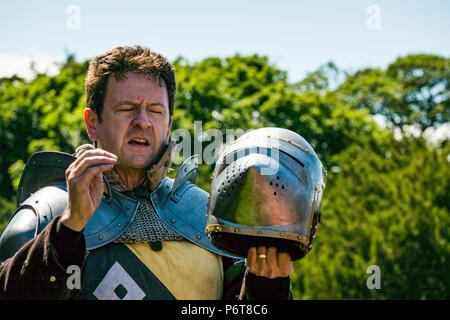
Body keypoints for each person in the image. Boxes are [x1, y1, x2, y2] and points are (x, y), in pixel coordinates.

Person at [0, 45, 293, 300]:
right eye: (127, 108)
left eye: (154, 110)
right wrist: (68, 231)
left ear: (168, 124)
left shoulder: (206, 216)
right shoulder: (46, 214)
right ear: (93, 123)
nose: (142, 122)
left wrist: (267, 285)